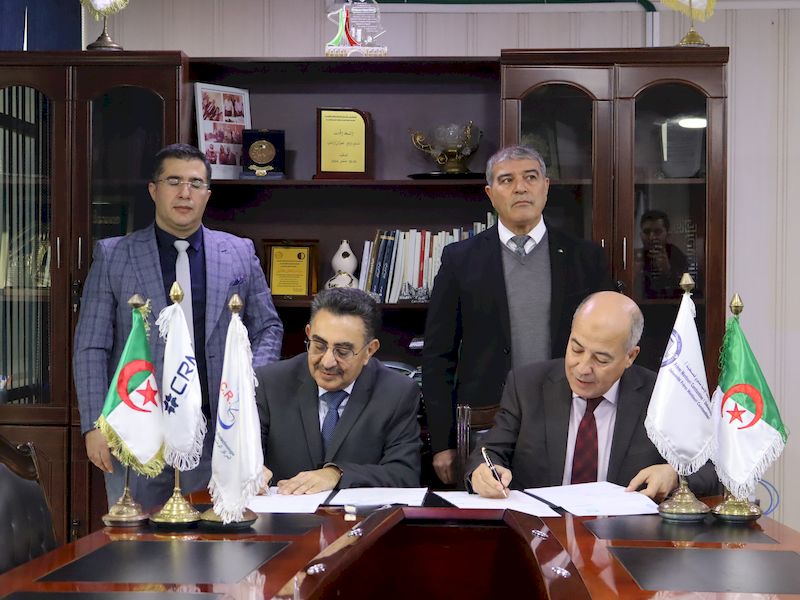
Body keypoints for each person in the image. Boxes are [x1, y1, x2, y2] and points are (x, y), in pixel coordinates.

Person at [73, 143, 284, 511]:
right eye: (174, 181)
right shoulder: (114, 255)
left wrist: (246, 387)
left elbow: (268, 327)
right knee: (137, 541)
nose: (185, 192)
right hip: (138, 429)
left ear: (207, 194)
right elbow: (91, 346)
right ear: (153, 190)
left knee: (220, 537)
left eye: (196, 183)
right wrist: (94, 425)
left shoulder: (238, 252)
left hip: (220, 430)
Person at [423, 145, 612, 484]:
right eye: (507, 180)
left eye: (530, 177)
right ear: (490, 193)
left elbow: (611, 340)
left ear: (545, 187)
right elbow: (438, 356)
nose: (520, 188)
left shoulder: (584, 258)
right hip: (486, 420)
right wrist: (442, 442)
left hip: (571, 414)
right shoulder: (460, 259)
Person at [468, 291, 719, 501]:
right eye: (576, 349)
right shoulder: (527, 386)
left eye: (601, 359)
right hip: (541, 532)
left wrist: (674, 475)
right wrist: (483, 474)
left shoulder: (660, 396)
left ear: (630, 356)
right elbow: (489, 452)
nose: (582, 368)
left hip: (625, 535)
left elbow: (712, 470)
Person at [255, 287, 421, 494]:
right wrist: (248, 472)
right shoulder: (270, 383)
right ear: (308, 333)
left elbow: (404, 474)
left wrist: (337, 474)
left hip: (358, 514)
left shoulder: (397, 392)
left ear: (369, 350)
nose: (327, 362)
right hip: (283, 511)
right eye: (319, 345)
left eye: (342, 351)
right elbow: (239, 457)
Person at [635, 209, 690, 299]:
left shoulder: (676, 255)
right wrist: (635, 274)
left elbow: (687, 290)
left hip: (671, 305)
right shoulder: (635, 257)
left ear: (667, 234)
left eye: (657, 232)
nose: (651, 237)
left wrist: (668, 271)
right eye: (647, 232)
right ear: (641, 235)